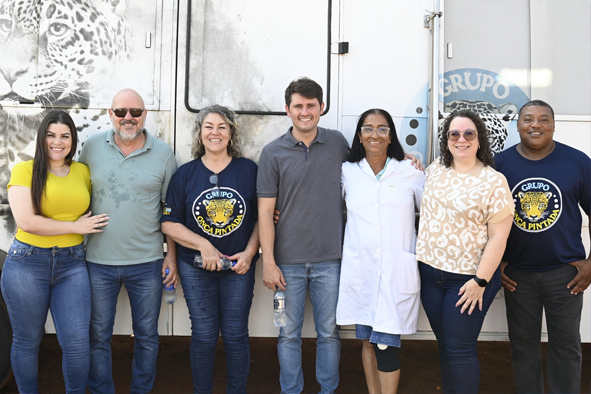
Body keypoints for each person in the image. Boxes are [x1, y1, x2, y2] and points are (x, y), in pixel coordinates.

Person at [0, 110, 109, 393]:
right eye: (51, 135)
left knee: (76, 343)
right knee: (27, 340)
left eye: (65, 136)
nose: (57, 142)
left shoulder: (82, 171)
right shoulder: (24, 170)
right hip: (27, 262)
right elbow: (26, 221)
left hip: (72, 264)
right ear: (42, 138)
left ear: (73, 140)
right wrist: (74, 225)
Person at [78, 88, 178, 394]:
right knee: (98, 334)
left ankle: (141, 390)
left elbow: (170, 213)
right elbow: (78, 197)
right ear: (110, 114)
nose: (128, 118)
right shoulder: (91, 147)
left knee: (147, 335)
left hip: (147, 263)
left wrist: (170, 257)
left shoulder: (163, 153)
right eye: (120, 112)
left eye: (135, 112)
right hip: (97, 262)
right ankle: (100, 390)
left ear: (145, 115)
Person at [257, 77, 349, 394]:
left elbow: (371, 170)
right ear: (288, 110)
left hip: (331, 262)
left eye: (311, 105)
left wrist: (406, 159)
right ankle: (291, 390)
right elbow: (265, 213)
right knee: (287, 334)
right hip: (287, 265)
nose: (305, 111)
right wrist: (268, 262)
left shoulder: (338, 144)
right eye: (299, 106)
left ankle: (328, 389)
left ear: (321, 107)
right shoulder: (272, 153)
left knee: (329, 332)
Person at [161, 105, 259, 394]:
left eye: (222, 127)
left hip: (239, 268)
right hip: (196, 269)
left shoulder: (249, 170)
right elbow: (169, 224)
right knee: (203, 336)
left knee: (235, 335)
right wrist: (204, 246)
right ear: (200, 133)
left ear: (231, 134)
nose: (214, 132)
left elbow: (262, 219)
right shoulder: (185, 174)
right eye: (208, 127)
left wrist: (250, 253)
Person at [495, 100, 591, 394]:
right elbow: (484, 219)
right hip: (517, 276)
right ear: (518, 124)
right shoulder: (499, 164)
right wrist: (494, 263)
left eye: (543, 119)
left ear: (553, 125)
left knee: (566, 347)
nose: (535, 125)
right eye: (528, 119)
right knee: (523, 349)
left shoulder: (577, 161)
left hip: (566, 275)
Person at [416, 109, 514, 394]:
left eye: (468, 133)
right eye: (454, 134)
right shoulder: (436, 169)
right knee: (446, 346)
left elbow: (499, 237)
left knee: (460, 350)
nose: (461, 139)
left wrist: (481, 281)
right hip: (431, 275)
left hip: (469, 280)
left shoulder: (494, 181)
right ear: (446, 140)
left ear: (480, 139)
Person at [336, 108, 424, 394]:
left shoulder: (410, 171)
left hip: (396, 271)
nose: (375, 134)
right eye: (368, 128)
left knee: (386, 342)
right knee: (367, 341)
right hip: (361, 270)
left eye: (382, 128)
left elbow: (431, 214)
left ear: (391, 136)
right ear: (359, 136)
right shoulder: (347, 171)